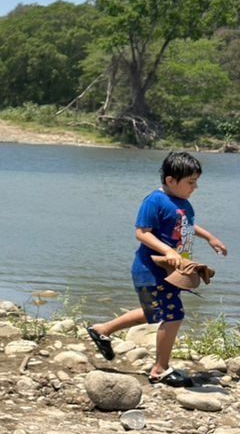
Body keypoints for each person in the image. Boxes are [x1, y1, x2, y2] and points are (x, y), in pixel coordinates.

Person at [85, 151, 228, 386]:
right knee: (174, 315)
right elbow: (142, 233)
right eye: (191, 182)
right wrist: (168, 251)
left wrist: (210, 237)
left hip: (170, 272)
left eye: (196, 182)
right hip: (150, 270)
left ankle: (102, 329)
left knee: (153, 311)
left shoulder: (182, 202)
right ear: (171, 180)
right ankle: (159, 370)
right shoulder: (154, 200)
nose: (195, 187)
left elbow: (187, 225)